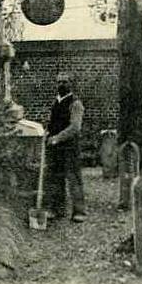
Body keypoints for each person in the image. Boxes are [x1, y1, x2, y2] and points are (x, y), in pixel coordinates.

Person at [44, 72, 86, 223]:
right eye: (59, 82)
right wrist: (47, 133)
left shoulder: (75, 104)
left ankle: (79, 211)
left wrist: (57, 138)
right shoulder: (56, 102)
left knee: (73, 178)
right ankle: (57, 209)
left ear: (71, 84)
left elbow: (75, 127)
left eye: (65, 82)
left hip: (69, 147)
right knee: (55, 178)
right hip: (55, 148)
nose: (61, 84)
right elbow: (52, 123)